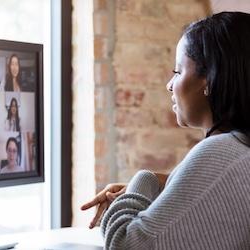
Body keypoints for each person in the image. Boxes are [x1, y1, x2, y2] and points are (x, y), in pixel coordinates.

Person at [81, 12, 250, 250]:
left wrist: (144, 179)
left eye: (178, 72)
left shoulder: (220, 150)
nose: (169, 85)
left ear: (209, 80)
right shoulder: (240, 148)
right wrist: (169, 183)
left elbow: (126, 244)